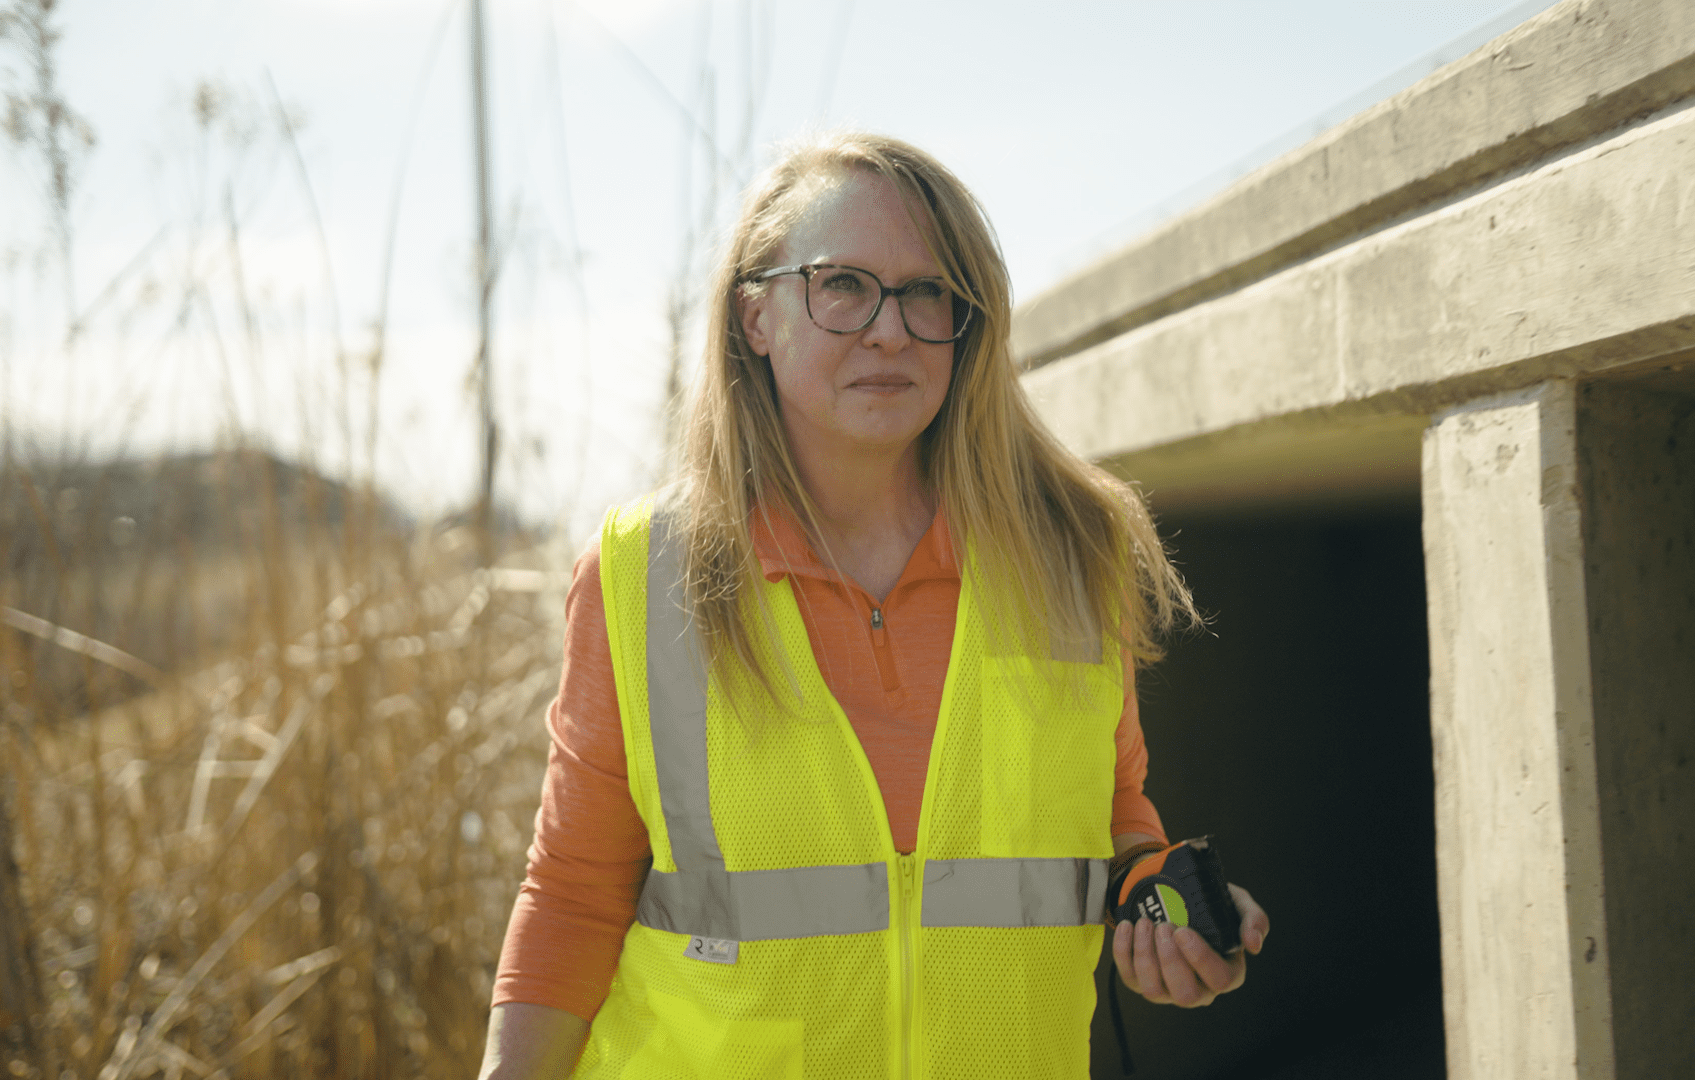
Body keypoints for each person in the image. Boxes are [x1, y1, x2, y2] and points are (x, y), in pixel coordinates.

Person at [479, 131, 1269, 1080]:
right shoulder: (644, 575)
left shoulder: (1071, 554)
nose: (890, 329)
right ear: (755, 318)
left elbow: (1113, 813)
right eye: (842, 284)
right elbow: (573, 893)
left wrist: (1154, 897)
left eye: (926, 292)